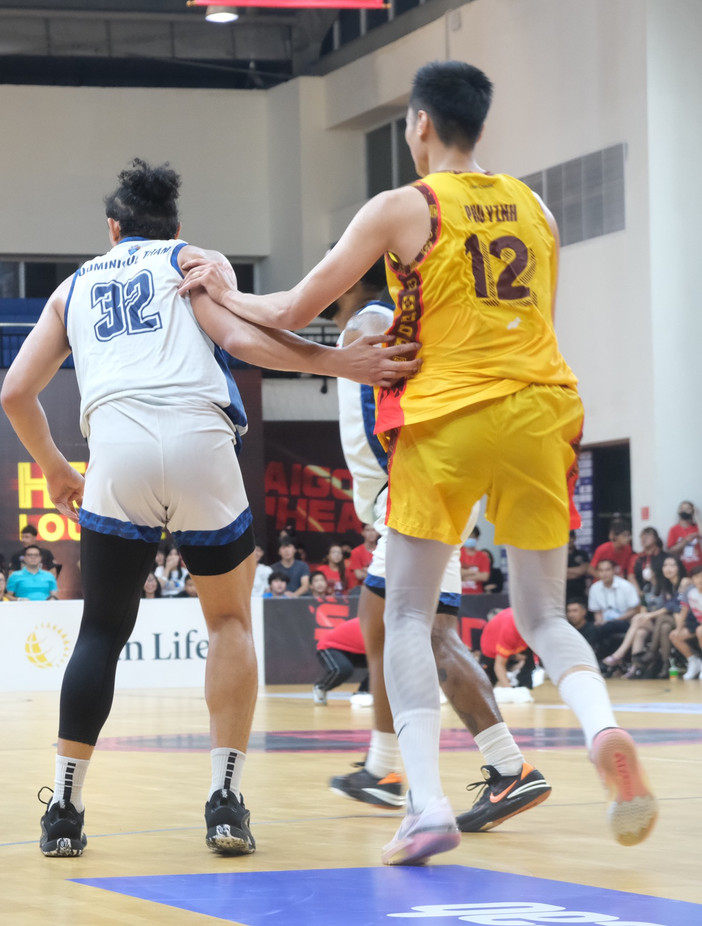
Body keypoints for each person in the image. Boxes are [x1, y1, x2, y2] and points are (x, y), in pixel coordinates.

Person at [180, 61, 654, 861]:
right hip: (543, 407)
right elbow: (539, 322)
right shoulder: (537, 208)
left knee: (404, 616)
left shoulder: (405, 206)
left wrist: (218, 289)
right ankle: (603, 728)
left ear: (421, 124)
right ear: (480, 124)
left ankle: (427, 804)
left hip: (449, 416)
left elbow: (291, 310)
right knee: (544, 614)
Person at [1, 158, 417, 859]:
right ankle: (225, 803)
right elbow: (245, 342)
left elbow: (15, 392)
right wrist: (336, 363)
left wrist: (55, 468)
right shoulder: (192, 261)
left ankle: (64, 810)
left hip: (118, 448)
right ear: (175, 227)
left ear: (113, 229)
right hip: (200, 441)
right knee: (227, 621)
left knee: (101, 631)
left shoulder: (72, 289)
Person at [323, 269, 548, 831]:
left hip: (415, 491)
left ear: (351, 279)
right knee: (392, 626)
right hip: (428, 487)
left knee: (418, 632)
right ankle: (387, 768)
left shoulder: (370, 323)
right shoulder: (388, 321)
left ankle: (500, 767)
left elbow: (379, 417)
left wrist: (397, 491)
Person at [313, 617, 371, 709]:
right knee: (342, 670)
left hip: (358, 651)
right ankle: (321, 687)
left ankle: (363, 693)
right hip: (331, 647)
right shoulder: (377, 623)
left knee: (384, 665)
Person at [476, 608, 534, 689]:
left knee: (527, 674)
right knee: (485, 684)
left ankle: (522, 687)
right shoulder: (509, 632)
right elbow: (499, 664)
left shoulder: (536, 624)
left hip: (517, 638)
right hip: (491, 648)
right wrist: (508, 690)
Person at [460, 527, 491, 594]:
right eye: (468, 536)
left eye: (472, 537)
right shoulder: (458, 554)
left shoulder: (483, 556)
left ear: (477, 538)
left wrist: (464, 577)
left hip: (477, 595)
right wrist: (475, 572)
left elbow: (484, 577)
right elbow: (457, 572)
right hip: (459, 594)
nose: (470, 538)